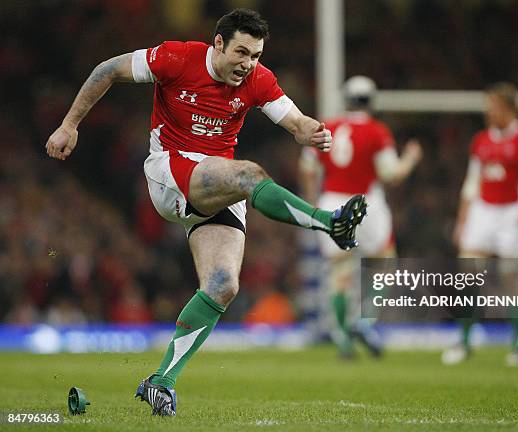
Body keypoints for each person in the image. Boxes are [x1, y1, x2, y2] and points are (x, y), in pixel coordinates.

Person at [45, 9, 367, 416]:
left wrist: (311, 132)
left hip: (217, 184)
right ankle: (329, 223)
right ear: (218, 43)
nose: (248, 63)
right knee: (250, 173)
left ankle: (160, 381)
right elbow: (107, 69)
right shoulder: (177, 58)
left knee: (222, 285)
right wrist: (70, 125)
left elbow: (296, 121)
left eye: (255, 55)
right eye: (241, 52)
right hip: (170, 170)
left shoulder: (257, 79)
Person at [299, 76, 422, 358]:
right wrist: (412, 158)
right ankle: (363, 322)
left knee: (340, 276)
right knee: (385, 263)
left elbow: (307, 168)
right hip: (366, 203)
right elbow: (391, 174)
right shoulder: (377, 132)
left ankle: (342, 337)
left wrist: (312, 203)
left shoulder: (327, 126)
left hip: (331, 203)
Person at [442, 82, 518, 366]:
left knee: (512, 279)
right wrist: (462, 219)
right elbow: (471, 183)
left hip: (512, 213)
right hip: (483, 211)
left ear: (508, 108)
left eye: (492, 106)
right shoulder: (481, 140)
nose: (487, 111)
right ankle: (465, 341)